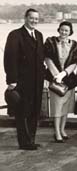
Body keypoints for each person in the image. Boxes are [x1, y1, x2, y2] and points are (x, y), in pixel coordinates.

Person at [3, 8, 45, 150]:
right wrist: (11, 80)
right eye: (32, 18)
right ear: (25, 18)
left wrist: (44, 78)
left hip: (37, 82)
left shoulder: (39, 35)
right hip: (21, 82)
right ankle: (24, 142)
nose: (34, 21)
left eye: (36, 19)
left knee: (34, 111)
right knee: (22, 112)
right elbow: (9, 59)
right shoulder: (15, 35)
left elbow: (40, 59)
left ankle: (31, 139)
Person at [44, 21, 77, 143]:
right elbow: (47, 58)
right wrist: (56, 75)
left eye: (67, 30)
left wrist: (64, 73)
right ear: (58, 30)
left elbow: (75, 62)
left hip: (69, 80)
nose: (64, 32)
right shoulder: (50, 42)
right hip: (55, 81)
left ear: (70, 32)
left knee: (66, 107)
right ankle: (57, 132)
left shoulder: (75, 45)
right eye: (62, 30)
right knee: (57, 107)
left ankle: (63, 129)